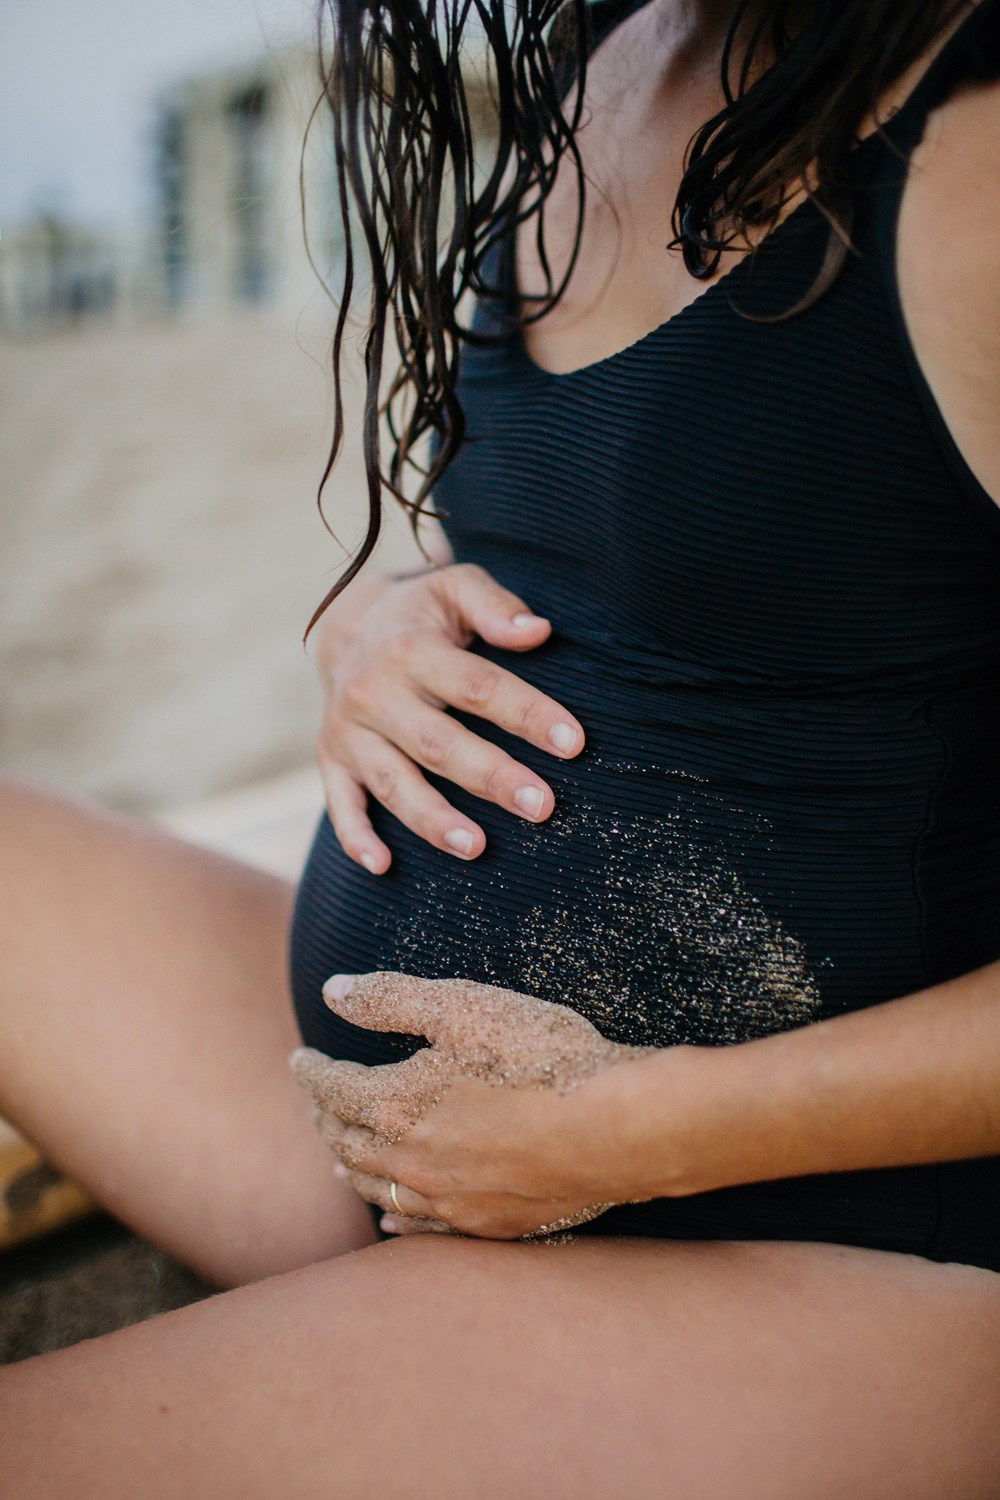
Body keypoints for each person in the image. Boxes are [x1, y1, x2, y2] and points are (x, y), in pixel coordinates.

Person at [1, 0, 999, 1493]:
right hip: (423, 1149)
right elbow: (667, 544)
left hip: (837, 1236)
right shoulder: (617, 51)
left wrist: (623, 1133)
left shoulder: (972, 151)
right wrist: (377, 619)